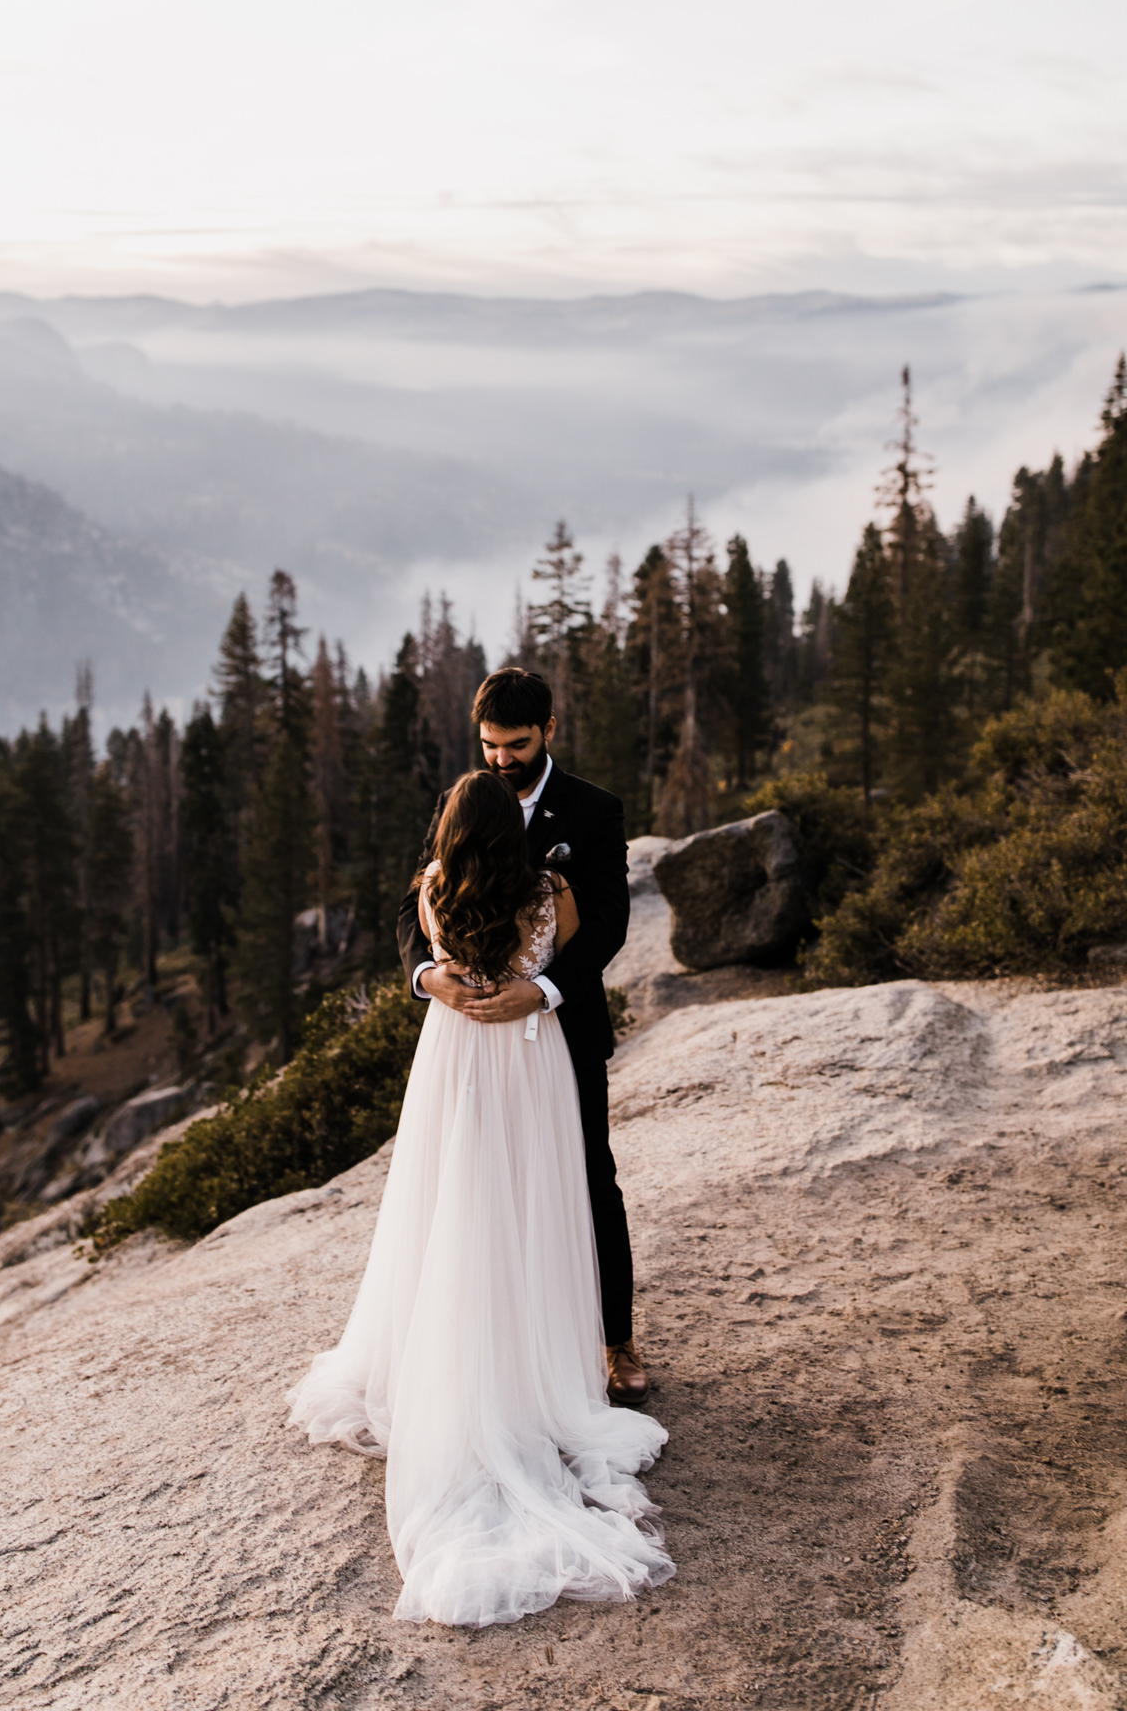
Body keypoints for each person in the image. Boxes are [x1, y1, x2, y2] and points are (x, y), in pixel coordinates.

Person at [288, 768, 673, 1627]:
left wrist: (448, 984)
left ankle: (452, 1346)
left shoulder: (432, 890)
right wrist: (522, 989)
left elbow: (438, 938)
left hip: (454, 1063)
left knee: (448, 1200)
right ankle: (546, 1359)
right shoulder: (548, 893)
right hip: (528, 1063)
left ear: (451, 834)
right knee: (533, 1199)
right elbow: (571, 949)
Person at [398, 666, 650, 1405]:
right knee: (476, 1185)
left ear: (547, 732)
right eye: (488, 745)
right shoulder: (461, 801)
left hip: (562, 1030)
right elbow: (409, 905)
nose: (500, 760)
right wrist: (428, 978)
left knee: (588, 1180)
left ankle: (614, 1341)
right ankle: (488, 1344)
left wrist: (539, 990)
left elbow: (607, 921)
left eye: (514, 745)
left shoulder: (593, 811)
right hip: (469, 1038)